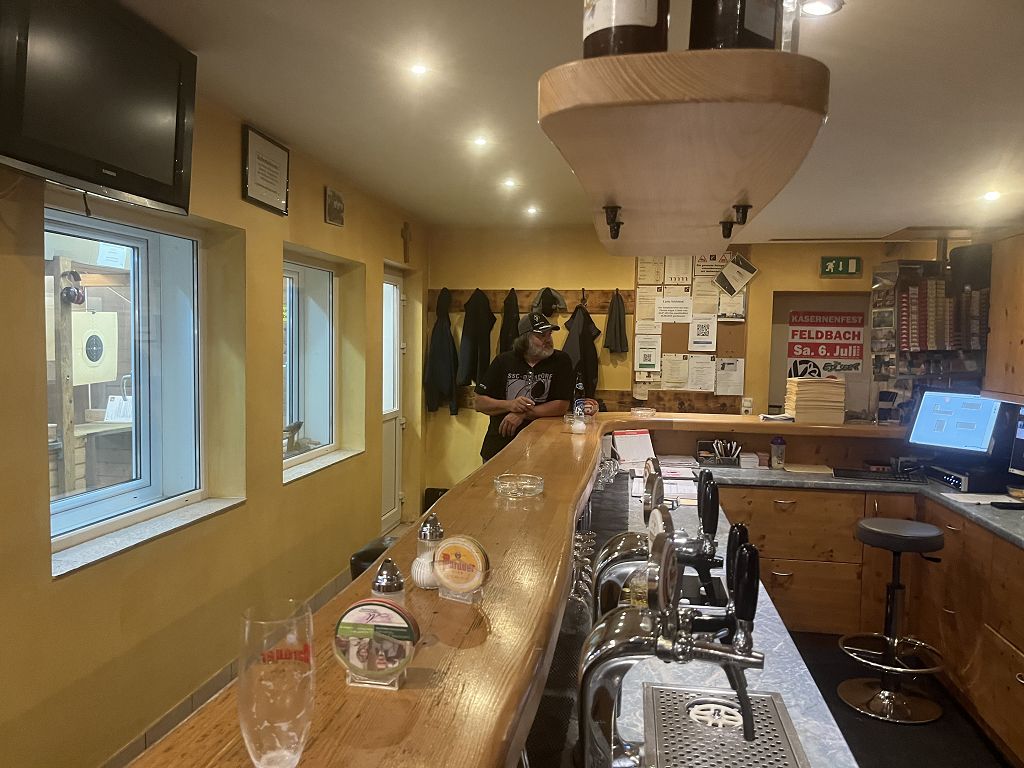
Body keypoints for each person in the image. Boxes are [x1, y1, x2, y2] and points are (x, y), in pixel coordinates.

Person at [475, 312, 574, 461]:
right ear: (524, 339)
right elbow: (479, 403)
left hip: (544, 447)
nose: (548, 339)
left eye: (549, 334)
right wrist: (510, 405)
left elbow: (561, 405)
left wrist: (522, 414)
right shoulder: (503, 361)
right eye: (541, 336)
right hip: (500, 446)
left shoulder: (561, 360)